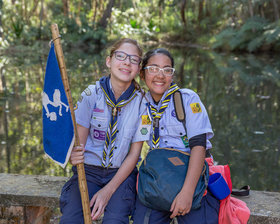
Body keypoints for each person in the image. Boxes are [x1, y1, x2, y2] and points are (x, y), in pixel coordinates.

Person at [59, 38, 149, 224]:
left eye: (133, 59)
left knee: (116, 220)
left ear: (139, 68)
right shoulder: (91, 95)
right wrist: (73, 156)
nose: (126, 62)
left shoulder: (142, 102)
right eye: (121, 56)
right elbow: (79, 146)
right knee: (71, 220)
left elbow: (134, 155)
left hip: (121, 175)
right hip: (88, 172)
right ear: (109, 61)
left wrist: (108, 191)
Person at [132, 48, 220, 224]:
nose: (160, 75)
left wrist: (187, 193)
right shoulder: (140, 104)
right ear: (142, 74)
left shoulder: (187, 99)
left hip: (191, 173)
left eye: (167, 70)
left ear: (172, 75)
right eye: (153, 68)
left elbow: (199, 147)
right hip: (159, 174)